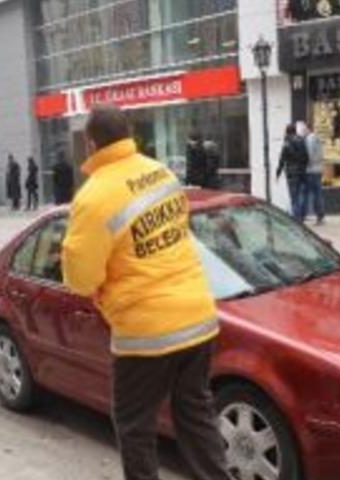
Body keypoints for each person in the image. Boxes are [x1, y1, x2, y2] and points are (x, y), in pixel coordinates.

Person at [61, 104, 229, 480]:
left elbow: (81, 279)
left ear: (91, 144)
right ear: (129, 134)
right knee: (196, 416)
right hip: (198, 317)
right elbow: (179, 231)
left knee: (135, 424)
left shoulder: (93, 197)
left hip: (147, 331)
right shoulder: (160, 172)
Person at [276, 123, 309, 221]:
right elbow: (306, 157)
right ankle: (302, 215)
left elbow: (282, 159)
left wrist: (278, 172)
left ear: (287, 131)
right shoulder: (301, 141)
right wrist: (303, 167)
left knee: (294, 197)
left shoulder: (287, 143)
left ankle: (297, 218)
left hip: (291, 173)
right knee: (301, 194)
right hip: (301, 172)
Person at [298, 121, 326, 225]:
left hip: (310, 170)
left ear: (307, 129)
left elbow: (309, 155)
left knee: (305, 193)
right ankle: (320, 215)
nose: (302, 131)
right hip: (318, 169)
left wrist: (304, 164)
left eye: (303, 129)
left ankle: (302, 215)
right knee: (317, 193)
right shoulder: (317, 138)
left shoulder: (310, 139)